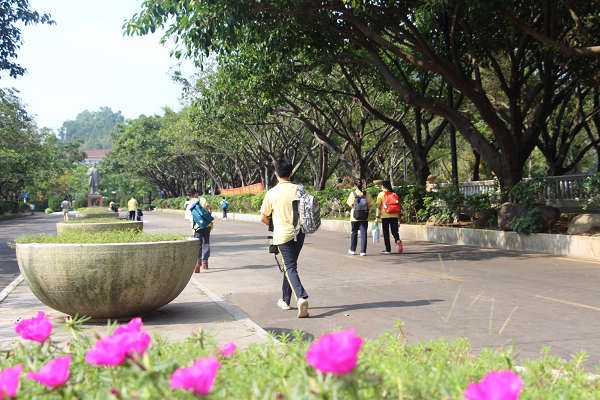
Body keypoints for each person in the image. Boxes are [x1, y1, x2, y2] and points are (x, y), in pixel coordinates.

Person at [260, 159, 309, 318]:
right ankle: (285, 300)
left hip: (283, 235)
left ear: (276, 174)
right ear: (291, 173)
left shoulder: (271, 193)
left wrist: (274, 225)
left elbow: (263, 217)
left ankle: (301, 297)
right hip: (299, 233)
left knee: (289, 267)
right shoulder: (299, 189)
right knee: (290, 266)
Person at [346, 178, 374, 256]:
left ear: (355, 185)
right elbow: (371, 204)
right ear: (362, 185)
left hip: (354, 217)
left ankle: (352, 250)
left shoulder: (353, 194)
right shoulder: (366, 194)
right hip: (365, 216)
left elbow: (350, 204)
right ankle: (363, 251)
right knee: (363, 233)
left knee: (354, 233)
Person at [187, 190, 212, 272]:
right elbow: (210, 210)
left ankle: (197, 263)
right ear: (196, 194)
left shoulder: (189, 203)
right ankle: (205, 262)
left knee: (198, 245)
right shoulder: (203, 200)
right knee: (206, 243)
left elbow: (187, 217)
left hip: (196, 227)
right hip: (207, 225)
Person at [375, 180, 402, 254]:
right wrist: (399, 219)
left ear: (383, 186)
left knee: (386, 233)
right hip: (394, 215)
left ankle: (388, 250)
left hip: (385, 216)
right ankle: (398, 240)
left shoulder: (381, 194)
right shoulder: (394, 194)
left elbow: (378, 207)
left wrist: (377, 217)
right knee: (394, 231)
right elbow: (398, 207)